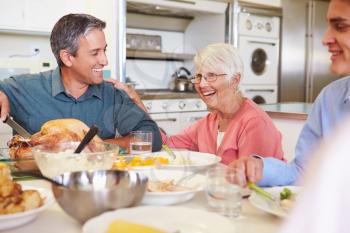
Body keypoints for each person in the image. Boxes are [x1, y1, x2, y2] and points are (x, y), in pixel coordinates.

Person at [229, 0, 350, 186]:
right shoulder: (330, 99)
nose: (325, 38)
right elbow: (304, 172)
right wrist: (260, 169)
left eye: (340, 27)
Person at [0, 13, 161, 151]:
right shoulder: (26, 88)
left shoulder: (111, 94)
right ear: (68, 58)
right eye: (95, 53)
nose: (105, 60)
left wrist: (96, 147)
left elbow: (152, 137)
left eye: (104, 50)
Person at [113, 43, 284, 165]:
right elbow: (165, 144)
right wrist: (137, 101)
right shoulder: (210, 122)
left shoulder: (255, 123)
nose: (201, 84)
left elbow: (251, 182)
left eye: (211, 76)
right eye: (199, 76)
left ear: (235, 80)